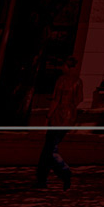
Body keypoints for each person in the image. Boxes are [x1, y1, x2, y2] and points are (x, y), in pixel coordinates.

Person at [33, 57, 82, 189]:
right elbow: (78, 99)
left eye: (63, 65)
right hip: (69, 118)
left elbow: (55, 100)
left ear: (67, 67)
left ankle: (63, 172)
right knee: (50, 148)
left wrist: (48, 116)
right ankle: (43, 179)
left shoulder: (61, 80)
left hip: (58, 117)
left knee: (50, 149)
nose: (62, 68)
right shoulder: (78, 81)